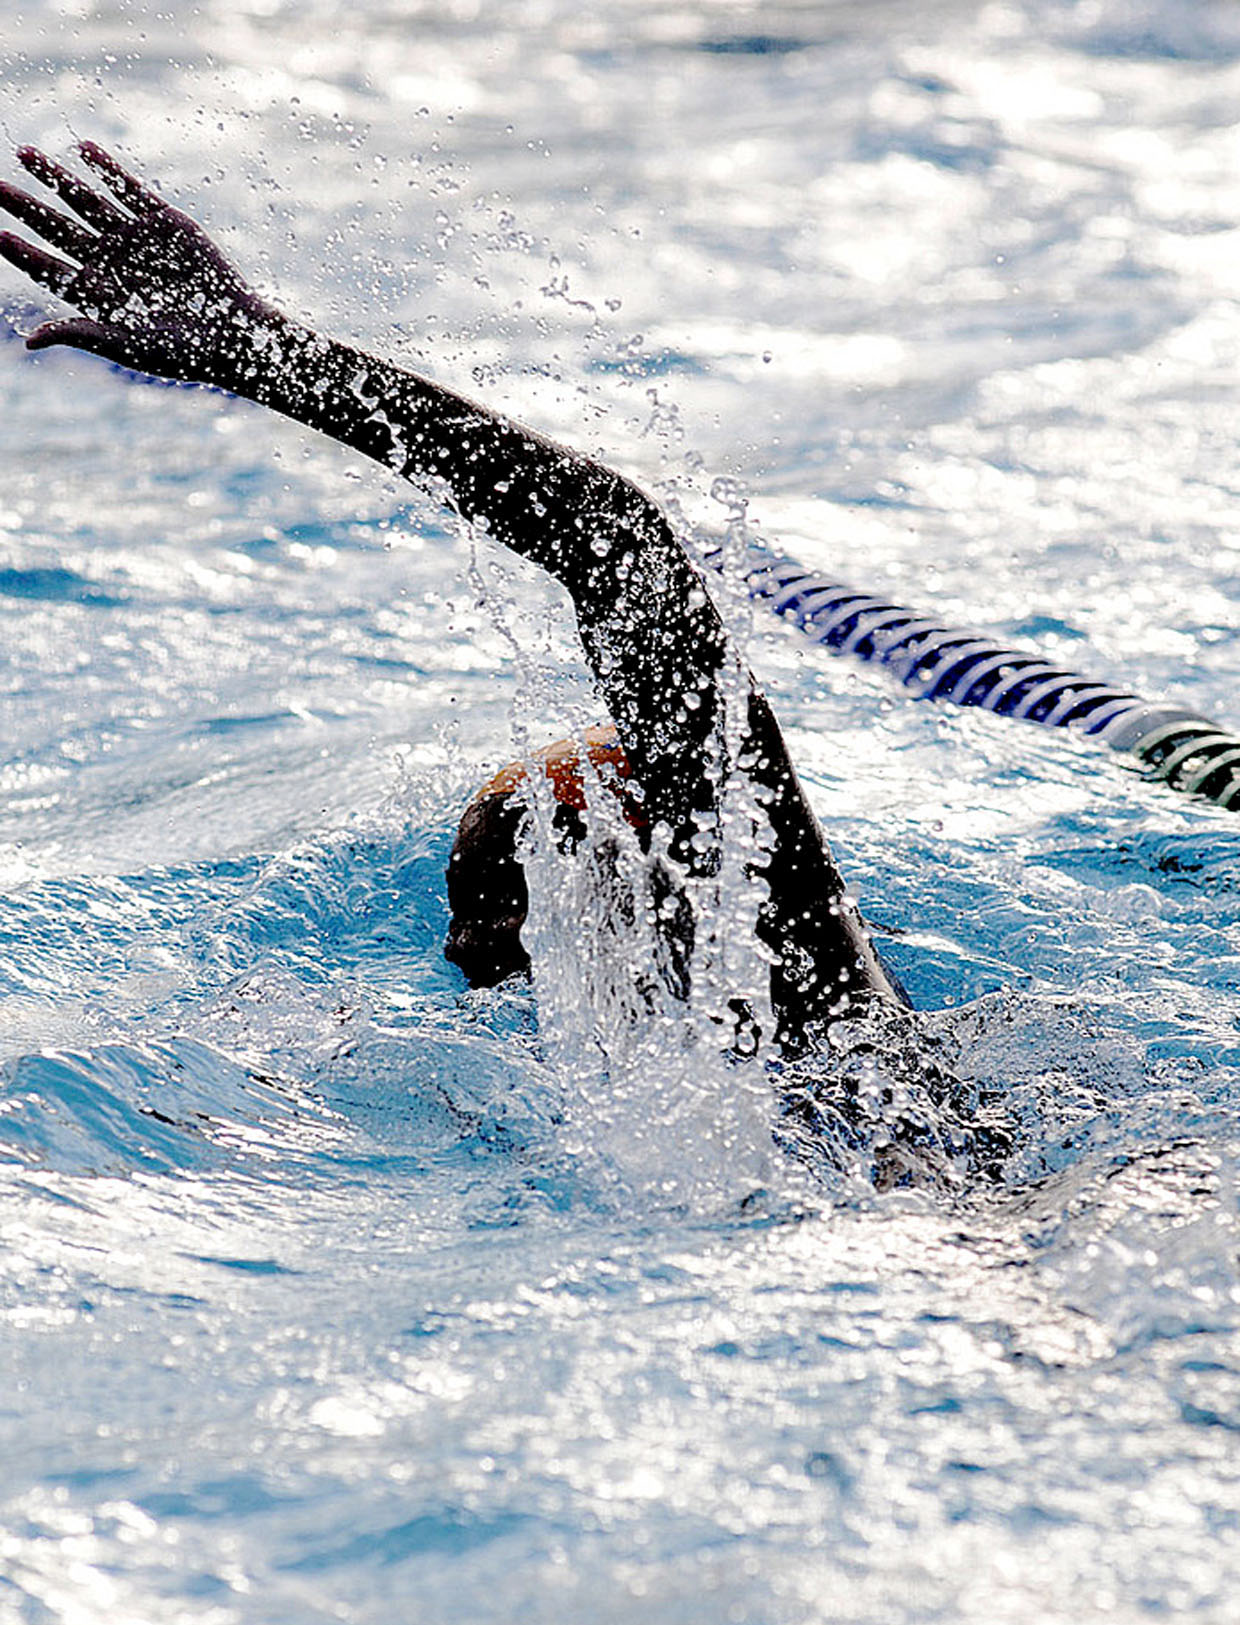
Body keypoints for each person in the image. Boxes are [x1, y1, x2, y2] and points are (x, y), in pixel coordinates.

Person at [0, 141, 905, 1056]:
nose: (460, 947)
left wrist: (269, 358)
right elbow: (617, 546)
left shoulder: (782, 992)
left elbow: (615, 540)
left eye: (486, 898)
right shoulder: (827, 1017)